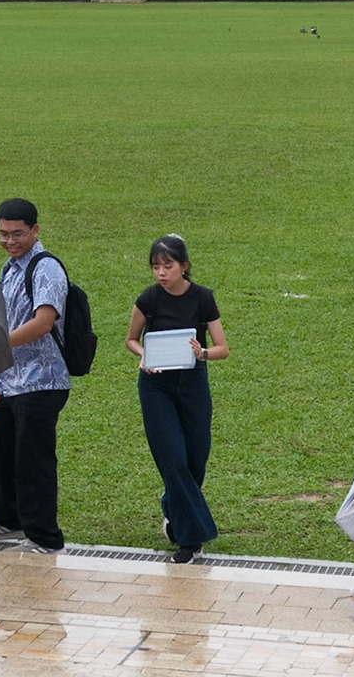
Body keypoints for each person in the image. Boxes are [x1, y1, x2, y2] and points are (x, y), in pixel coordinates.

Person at [0, 197, 70, 553]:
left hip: (42, 381)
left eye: (17, 234)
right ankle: (8, 520)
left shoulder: (46, 269)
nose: (9, 241)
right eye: (3, 234)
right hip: (9, 380)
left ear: (35, 230)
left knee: (33, 461)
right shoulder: (9, 267)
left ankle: (44, 536)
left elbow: (43, 323)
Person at [125, 234, 229, 563]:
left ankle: (172, 507)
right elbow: (130, 340)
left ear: (184, 266)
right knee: (173, 458)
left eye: (167, 266)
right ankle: (190, 539)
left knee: (195, 460)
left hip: (194, 383)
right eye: (155, 266)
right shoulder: (149, 299)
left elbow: (222, 348)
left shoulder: (203, 299)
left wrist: (203, 353)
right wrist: (144, 356)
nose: (161, 273)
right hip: (156, 387)